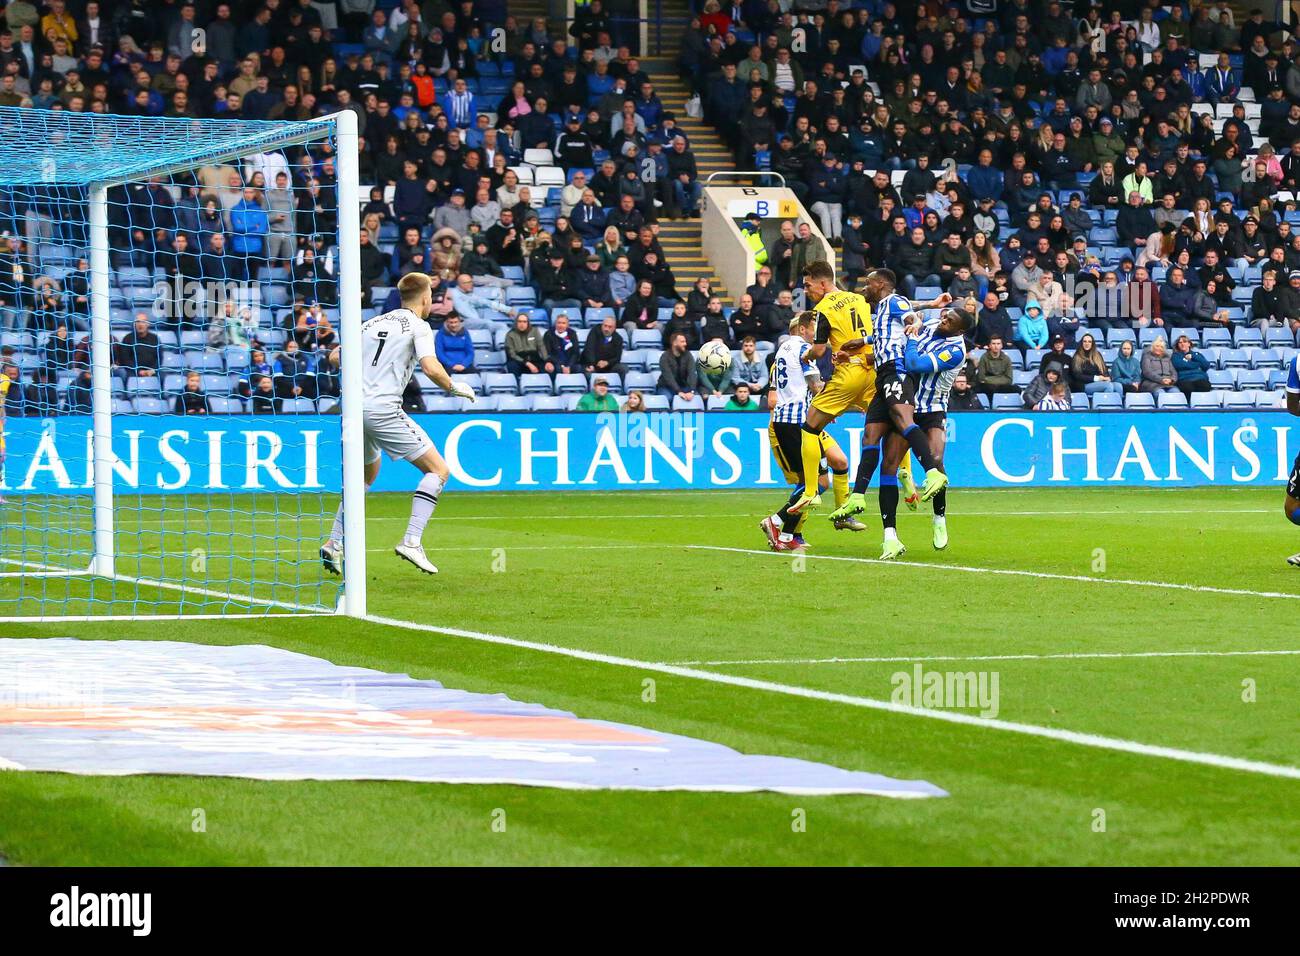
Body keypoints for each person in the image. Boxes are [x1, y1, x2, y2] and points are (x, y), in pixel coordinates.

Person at [319, 273, 477, 578]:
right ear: (424, 297)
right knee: (439, 470)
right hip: (381, 410)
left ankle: (334, 542)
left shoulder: (371, 323)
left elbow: (335, 356)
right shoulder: (419, 326)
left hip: (351, 411)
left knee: (365, 476)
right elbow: (431, 366)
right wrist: (454, 387)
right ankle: (412, 541)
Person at [833, 307, 974, 555]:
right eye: (944, 315)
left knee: (936, 460)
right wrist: (865, 341)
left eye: (949, 320)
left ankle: (939, 518)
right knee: (888, 464)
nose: (943, 320)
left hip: (932, 408)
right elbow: (899, 330)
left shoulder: (955, 351)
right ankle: (890, 536)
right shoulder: (930, 325)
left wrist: (912, 336)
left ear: (959, 330)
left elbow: (914, 363)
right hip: (906, 402)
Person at [761, 311, 855, 552]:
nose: (818, 335)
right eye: (814, 328)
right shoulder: (803, 350)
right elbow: (816, 385)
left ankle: (787, 536)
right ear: (803, 329)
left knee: (829, 468)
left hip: (794, 421)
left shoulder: (783, 349)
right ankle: (777, 521)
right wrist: (844, 399)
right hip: (796, 424)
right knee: (819, 482)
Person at [656, 332, 698, 402]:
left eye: (685, 341)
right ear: (674, 343)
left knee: (695, 398)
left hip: (684, 386)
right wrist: (679, 391)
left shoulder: (688, 355)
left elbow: (692, 373)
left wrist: (692, 391)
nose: (685, 344)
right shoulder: (665, 357)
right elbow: (668, 377)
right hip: (666, 387)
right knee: (668, 398)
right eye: (682, 342)